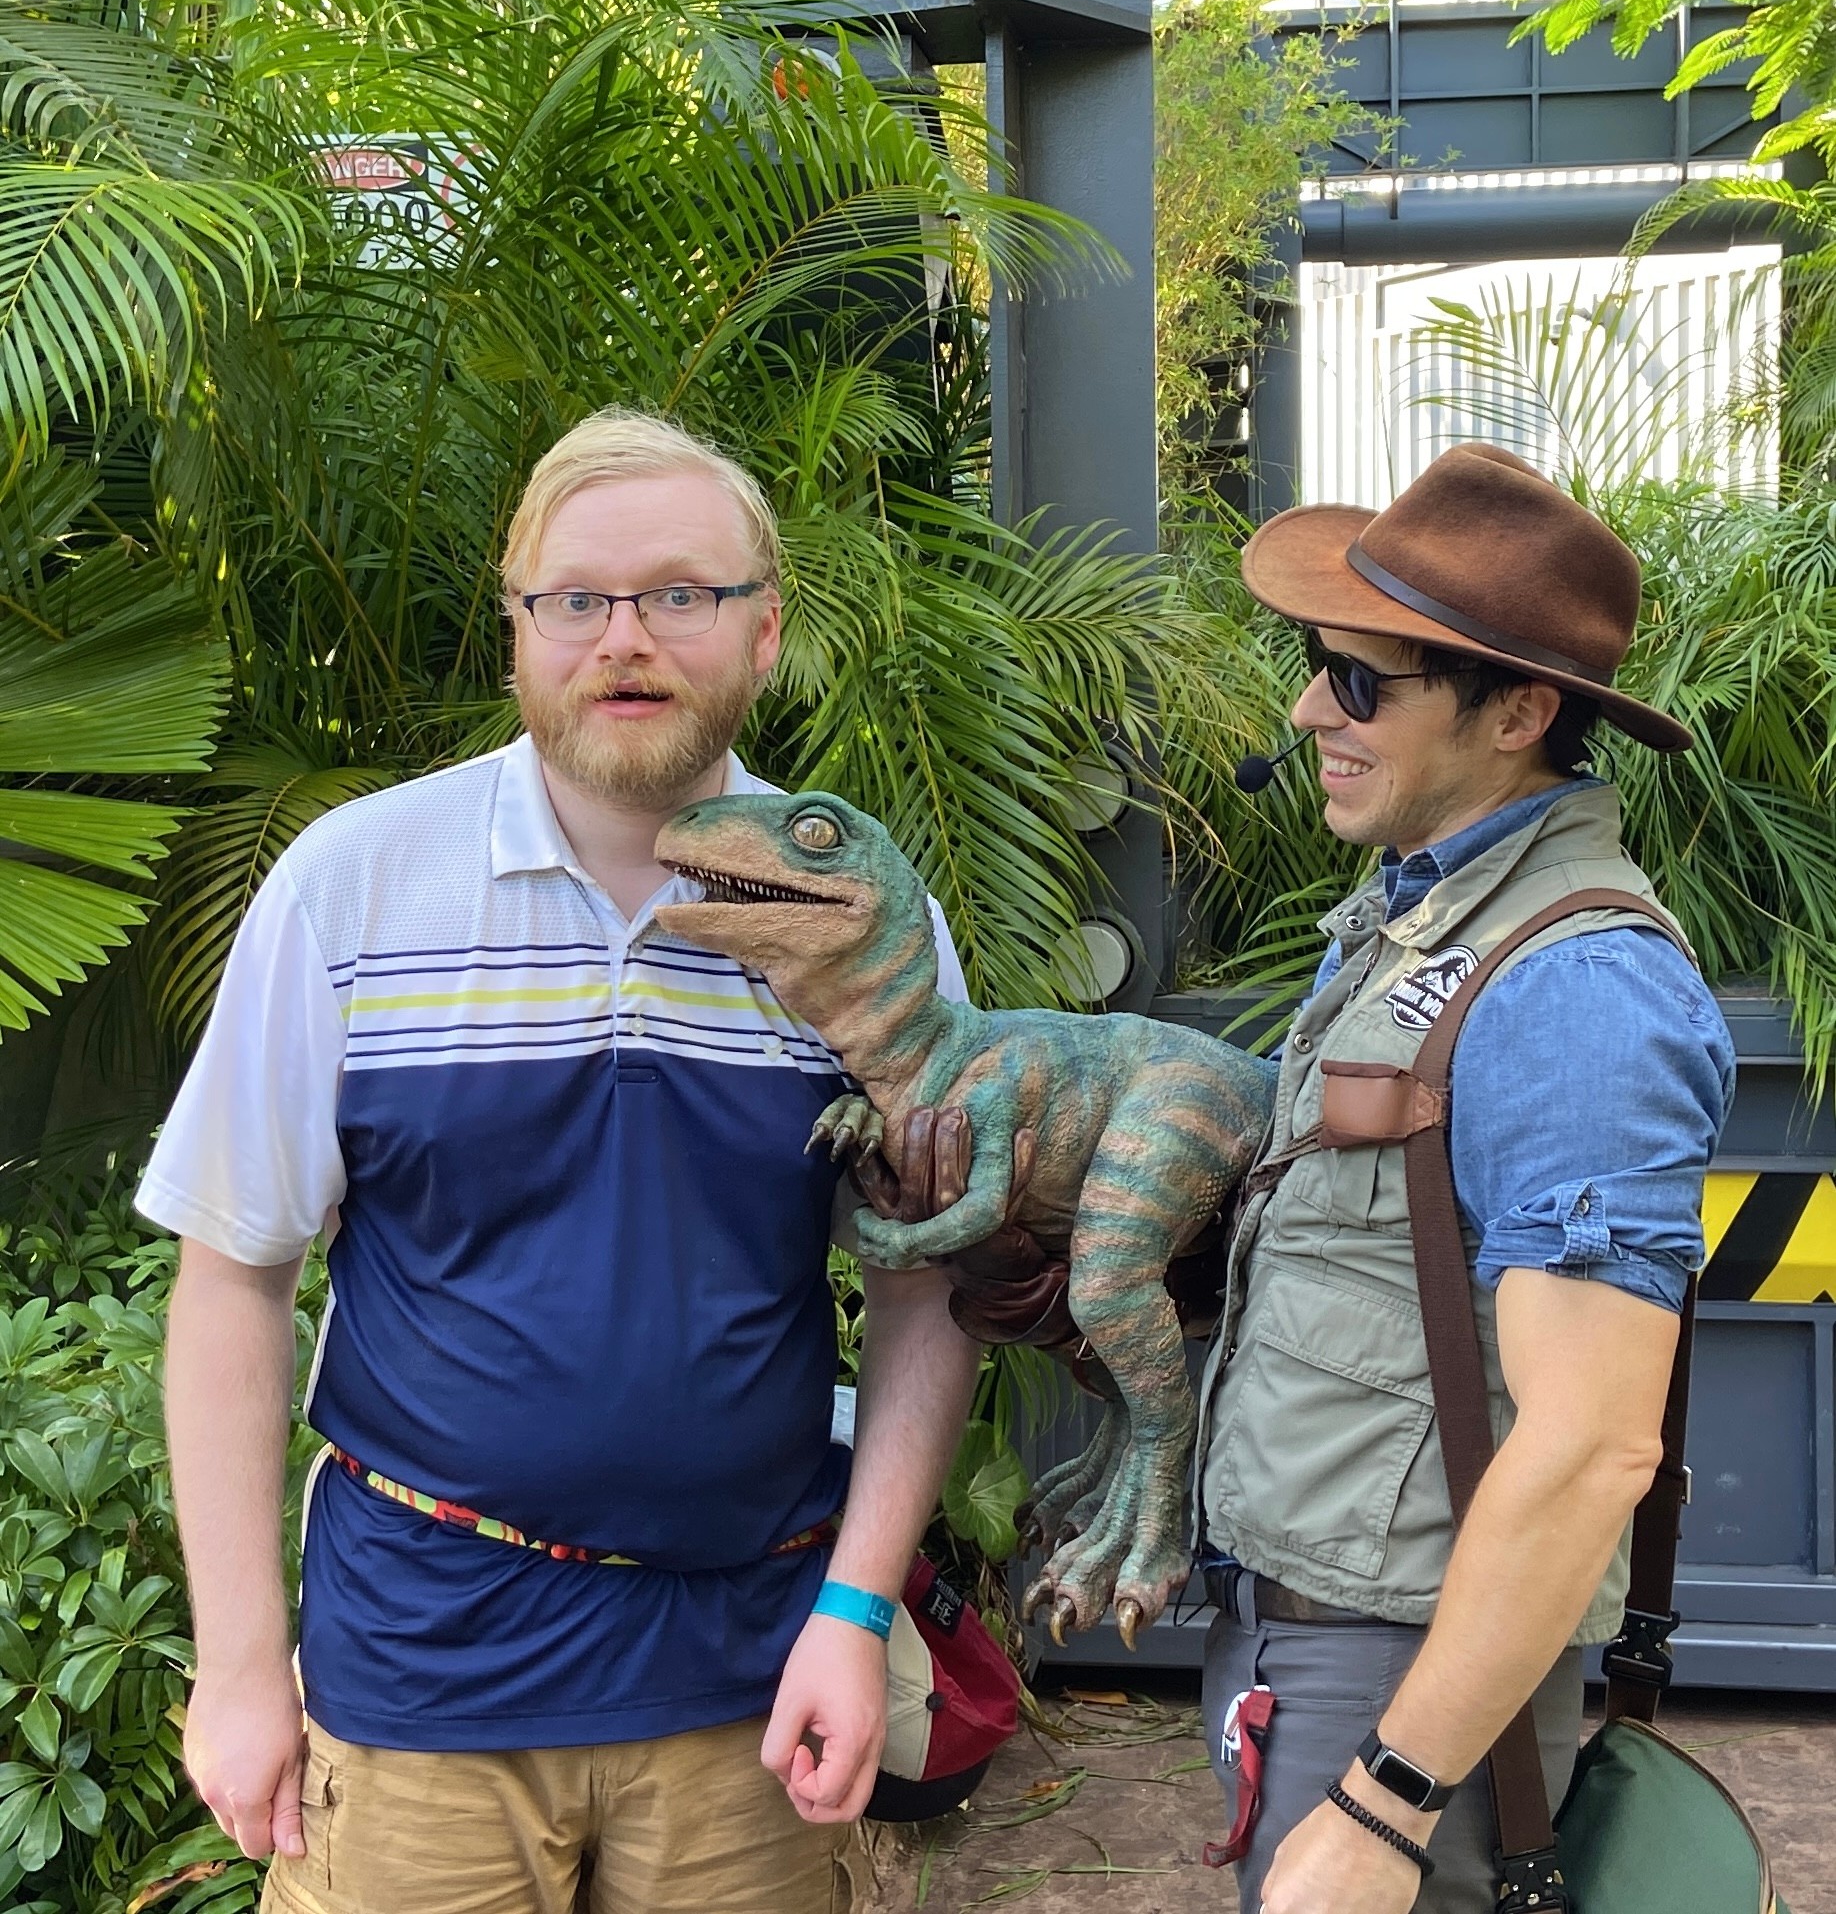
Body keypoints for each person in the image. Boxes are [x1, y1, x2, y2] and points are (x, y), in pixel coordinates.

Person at [141, 410, 984, 1914]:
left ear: (765, 630)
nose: (626, 637)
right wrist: (240, 1661)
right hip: (419, 1680)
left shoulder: (864, 918)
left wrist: (858, 1610)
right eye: (578, 598)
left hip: (750, 1681)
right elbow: (233, 1275)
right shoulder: (356, 886)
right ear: (520, 632)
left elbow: (929, 1294)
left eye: (682, 593)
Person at [1193, 443, 1735, 1914]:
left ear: (1518, 713)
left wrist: (1388, 1801)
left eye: (1359, 682)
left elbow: (1592, 1443)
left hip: (1409, 1681)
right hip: (1319, 1642)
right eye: (1317, 667)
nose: (1310, 709)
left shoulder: (1574, 987)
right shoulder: (1419, 924)